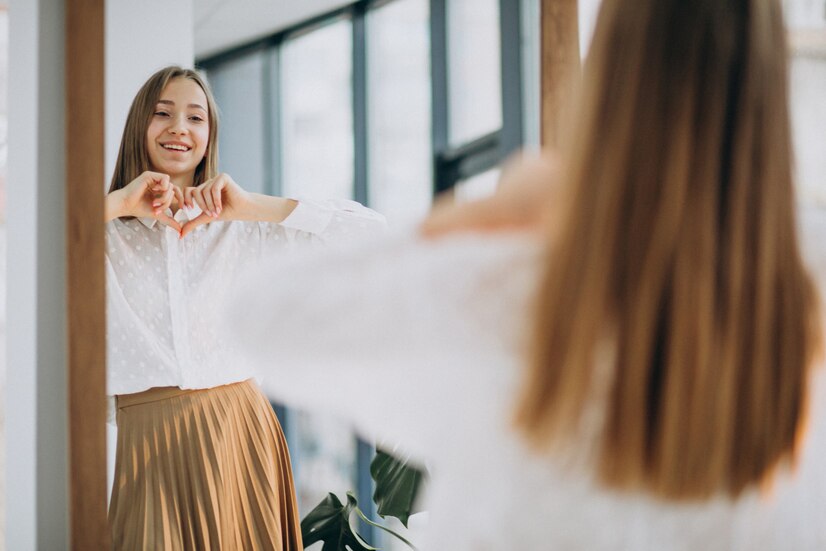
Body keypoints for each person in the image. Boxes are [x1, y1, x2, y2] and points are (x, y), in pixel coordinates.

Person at [225, 0, 826, 548]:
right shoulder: (802, 314)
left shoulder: (522, 291)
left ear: (610, 80)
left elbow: (260, 313)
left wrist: (495, 210)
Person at [104, 66, 385, 550]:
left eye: (196, 118)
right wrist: (116, 203)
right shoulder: (101, 236)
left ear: (209, 137)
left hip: (237, 430)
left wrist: (255, 205)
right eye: (162, 114)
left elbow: (374, 235)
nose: (179, 128)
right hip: (147, 441)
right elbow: (19, 240)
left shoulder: (243, 229)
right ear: (139, 128)